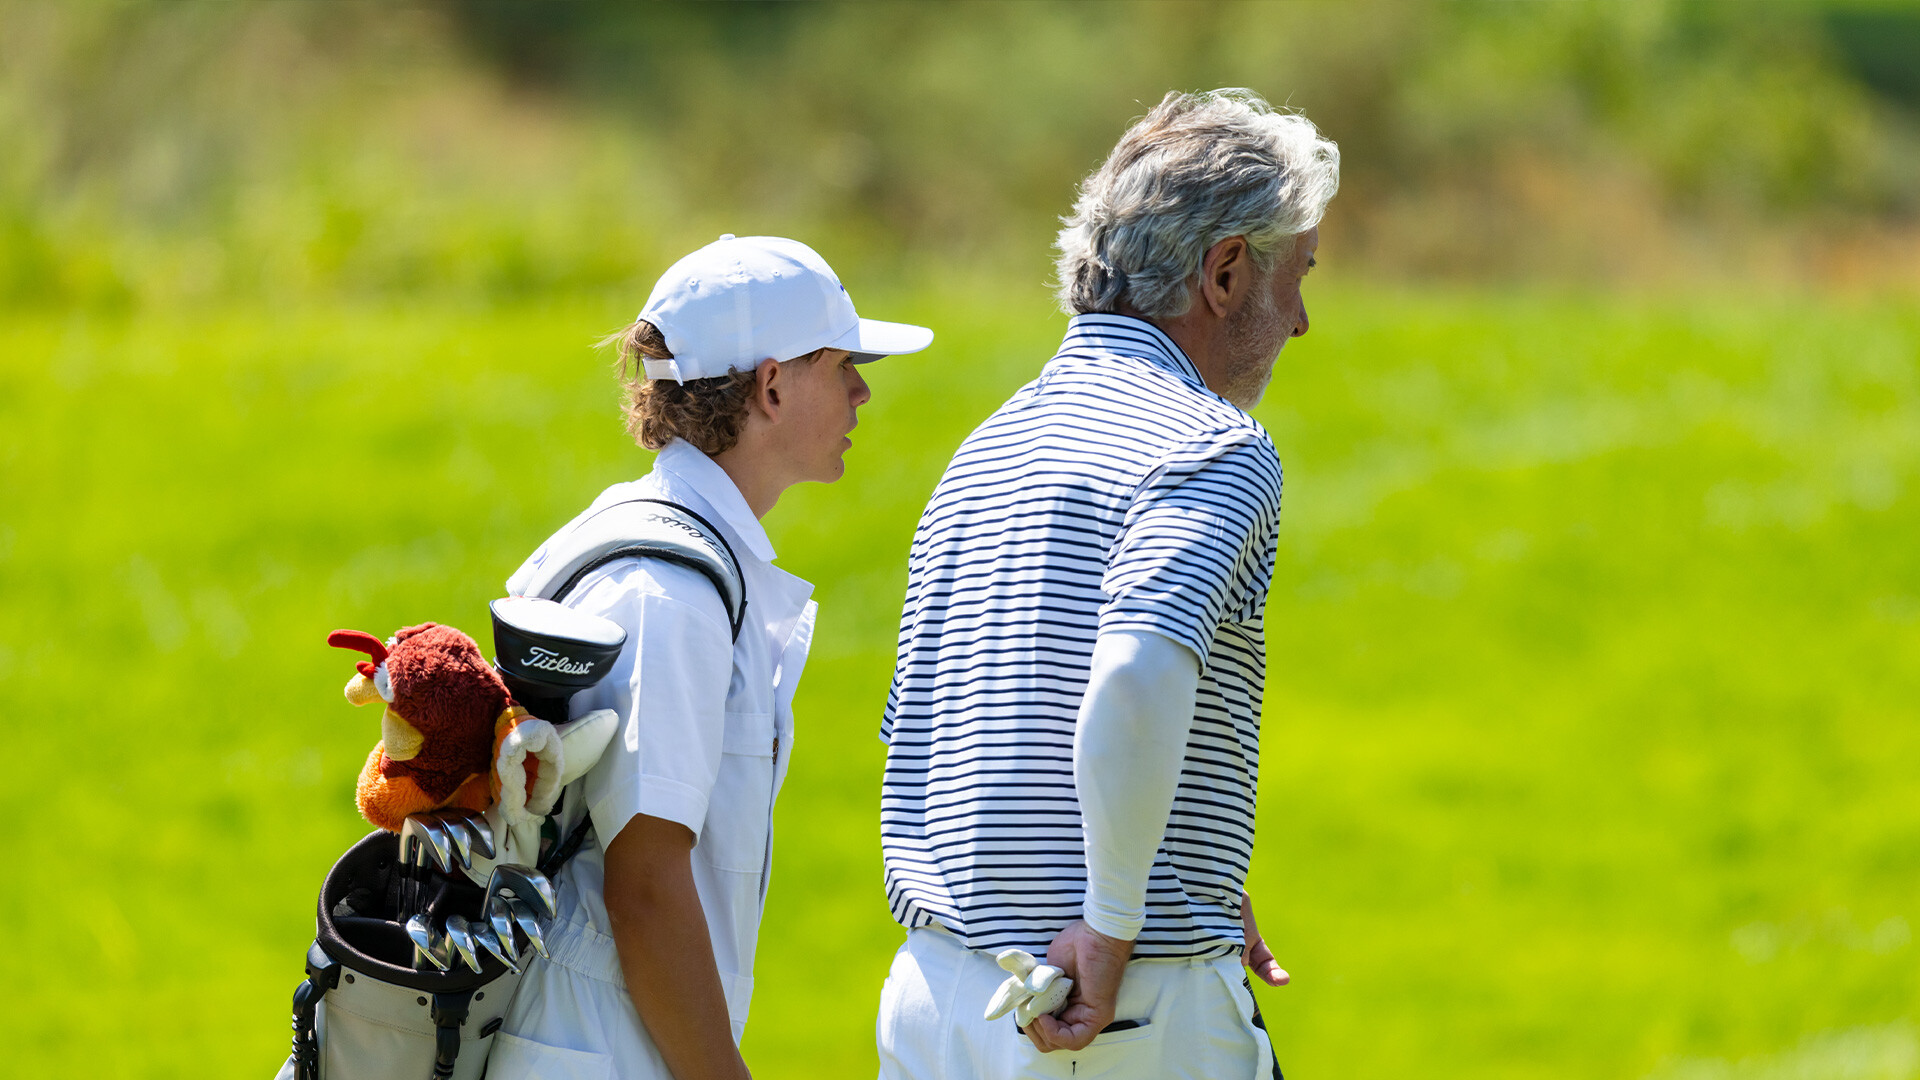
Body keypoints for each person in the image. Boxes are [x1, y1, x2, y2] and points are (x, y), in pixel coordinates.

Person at [875, 89, 1339, 1078]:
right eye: (1296, 275)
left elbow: (948, 729)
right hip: (1106, 1006)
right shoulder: (1211, 447)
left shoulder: (985, 448)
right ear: (1225, 273)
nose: (1300, 320)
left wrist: (1176, 859)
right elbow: (1134, 676)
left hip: (933, 998)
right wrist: (1116, 911)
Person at [491, 234, 931, 1079]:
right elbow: (647, 888)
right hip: (603, 1053)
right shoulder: (670, 593)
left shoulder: (643, 543)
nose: (863, 389)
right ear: (772, 384)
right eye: (842, 363)